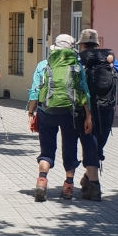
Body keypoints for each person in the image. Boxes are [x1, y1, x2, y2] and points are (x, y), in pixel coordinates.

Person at [27, 32, 101, 200]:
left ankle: (41, 182)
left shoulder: (43, 65)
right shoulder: (76, 65)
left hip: (46, 112)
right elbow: (84, 92)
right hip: (71, 114)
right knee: (70, 148)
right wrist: (88, 116)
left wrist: (31, 112)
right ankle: (68, 186)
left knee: (47, 149)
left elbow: (34, 91)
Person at [78, 28, 118, 171]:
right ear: (96, 45)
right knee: (100, 141)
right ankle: (92, 174)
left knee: (89, 142)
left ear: (82, 45)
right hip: (107, 107)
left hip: (86, 109)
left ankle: (91, 179)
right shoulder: (112, 62)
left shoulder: (79, 62)